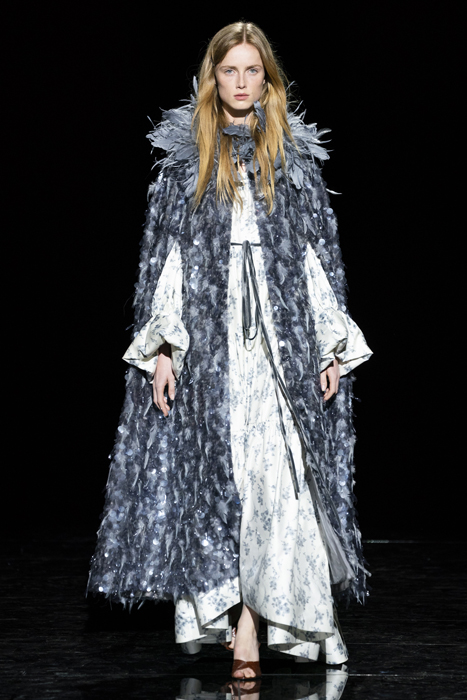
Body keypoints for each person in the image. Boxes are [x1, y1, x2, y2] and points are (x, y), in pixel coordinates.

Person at [86, 21, 372, 680]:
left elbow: (312, 260)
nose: (241, 82)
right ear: (211, 80)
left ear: (268, 82)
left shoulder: (292, 162)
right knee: (221, 480)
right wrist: (165, 349)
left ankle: (265, 622)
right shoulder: (187, 163)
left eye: (252, 71)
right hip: (212, 348)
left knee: (278, 478)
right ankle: (232, 611)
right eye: (229, 71)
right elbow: (170, 262)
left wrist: (328, 346)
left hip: (279, 344)